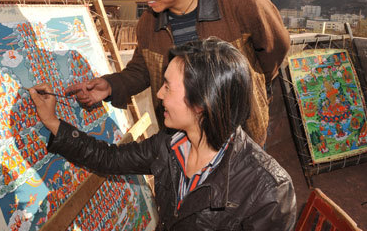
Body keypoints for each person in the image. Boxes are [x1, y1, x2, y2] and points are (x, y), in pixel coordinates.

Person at [29, 37, 296, 230]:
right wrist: (53, 123)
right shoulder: (169, 145)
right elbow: (108, 158)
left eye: (168, 87)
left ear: (202, 103)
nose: (158, 94)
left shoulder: (269, 191)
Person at [66, 0, 290, 147]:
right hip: (180, 145)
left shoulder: (243, 3)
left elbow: (274, 53)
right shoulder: (148, 23)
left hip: (240, 141)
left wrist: (253, 91)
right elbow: (143, 69)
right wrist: (110, 85)